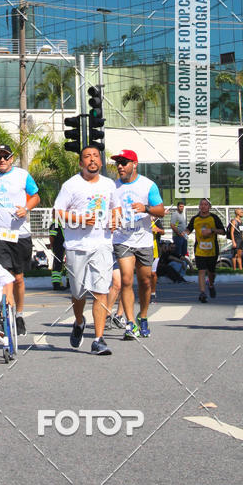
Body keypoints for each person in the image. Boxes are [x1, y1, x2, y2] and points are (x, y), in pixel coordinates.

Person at [53, 145, 119, 355]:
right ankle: (79, 321)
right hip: (77, 246)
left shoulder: (109, 184)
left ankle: (98, 339)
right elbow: (57, 212)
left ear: (100, 161)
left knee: (101, 291)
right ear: (81, 163)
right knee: (78, 293)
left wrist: (115, 219)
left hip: (102, 245)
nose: (92, 159)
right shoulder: (71, 185)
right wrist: (80, 219)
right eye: (87, 157)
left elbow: (115, 207)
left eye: (96, 156)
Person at [0, 144, 40, 336]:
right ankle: (1, 316)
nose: (2, 160)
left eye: (6, 157)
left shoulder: (22, 175)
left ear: (12, 158)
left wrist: (26, 208)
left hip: (19, 234)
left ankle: (19, 315)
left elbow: (36, 197)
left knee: (18, 278)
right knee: (2, 276)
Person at [111, 149, 165, 339]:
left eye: (124, 162)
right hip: (122, 239)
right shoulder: (113, 187)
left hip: (143, 239)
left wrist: (146, 208)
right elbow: (108, 210)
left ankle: (143, 316)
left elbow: (161, 210)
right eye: (118, 163)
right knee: (126, 280)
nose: (120, 166)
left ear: (135, 164)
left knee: (145, 281)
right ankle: (130, 323)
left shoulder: (148, 185)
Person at [187, 198, 226, 302]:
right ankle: (202, 293)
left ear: (209, 207)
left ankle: (211, 284)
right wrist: (183, 233)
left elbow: (223, 231)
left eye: (206, 204)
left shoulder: (214, 218)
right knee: (201, 270)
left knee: (211, 272)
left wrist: (212, 230)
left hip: (212, 250)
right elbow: (188, 229)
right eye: (202, 204)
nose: (203, 206)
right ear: (199, 206)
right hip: (199, 250)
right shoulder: (195, 218)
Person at [150, 218, 165, 302]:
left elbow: (163, 232)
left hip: (155, 251)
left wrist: (157, 230)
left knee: (152, 273)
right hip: (143, 250)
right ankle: (145, 293)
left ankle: (153, 292)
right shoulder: (140, 220)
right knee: (144, 274)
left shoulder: (156, 221)